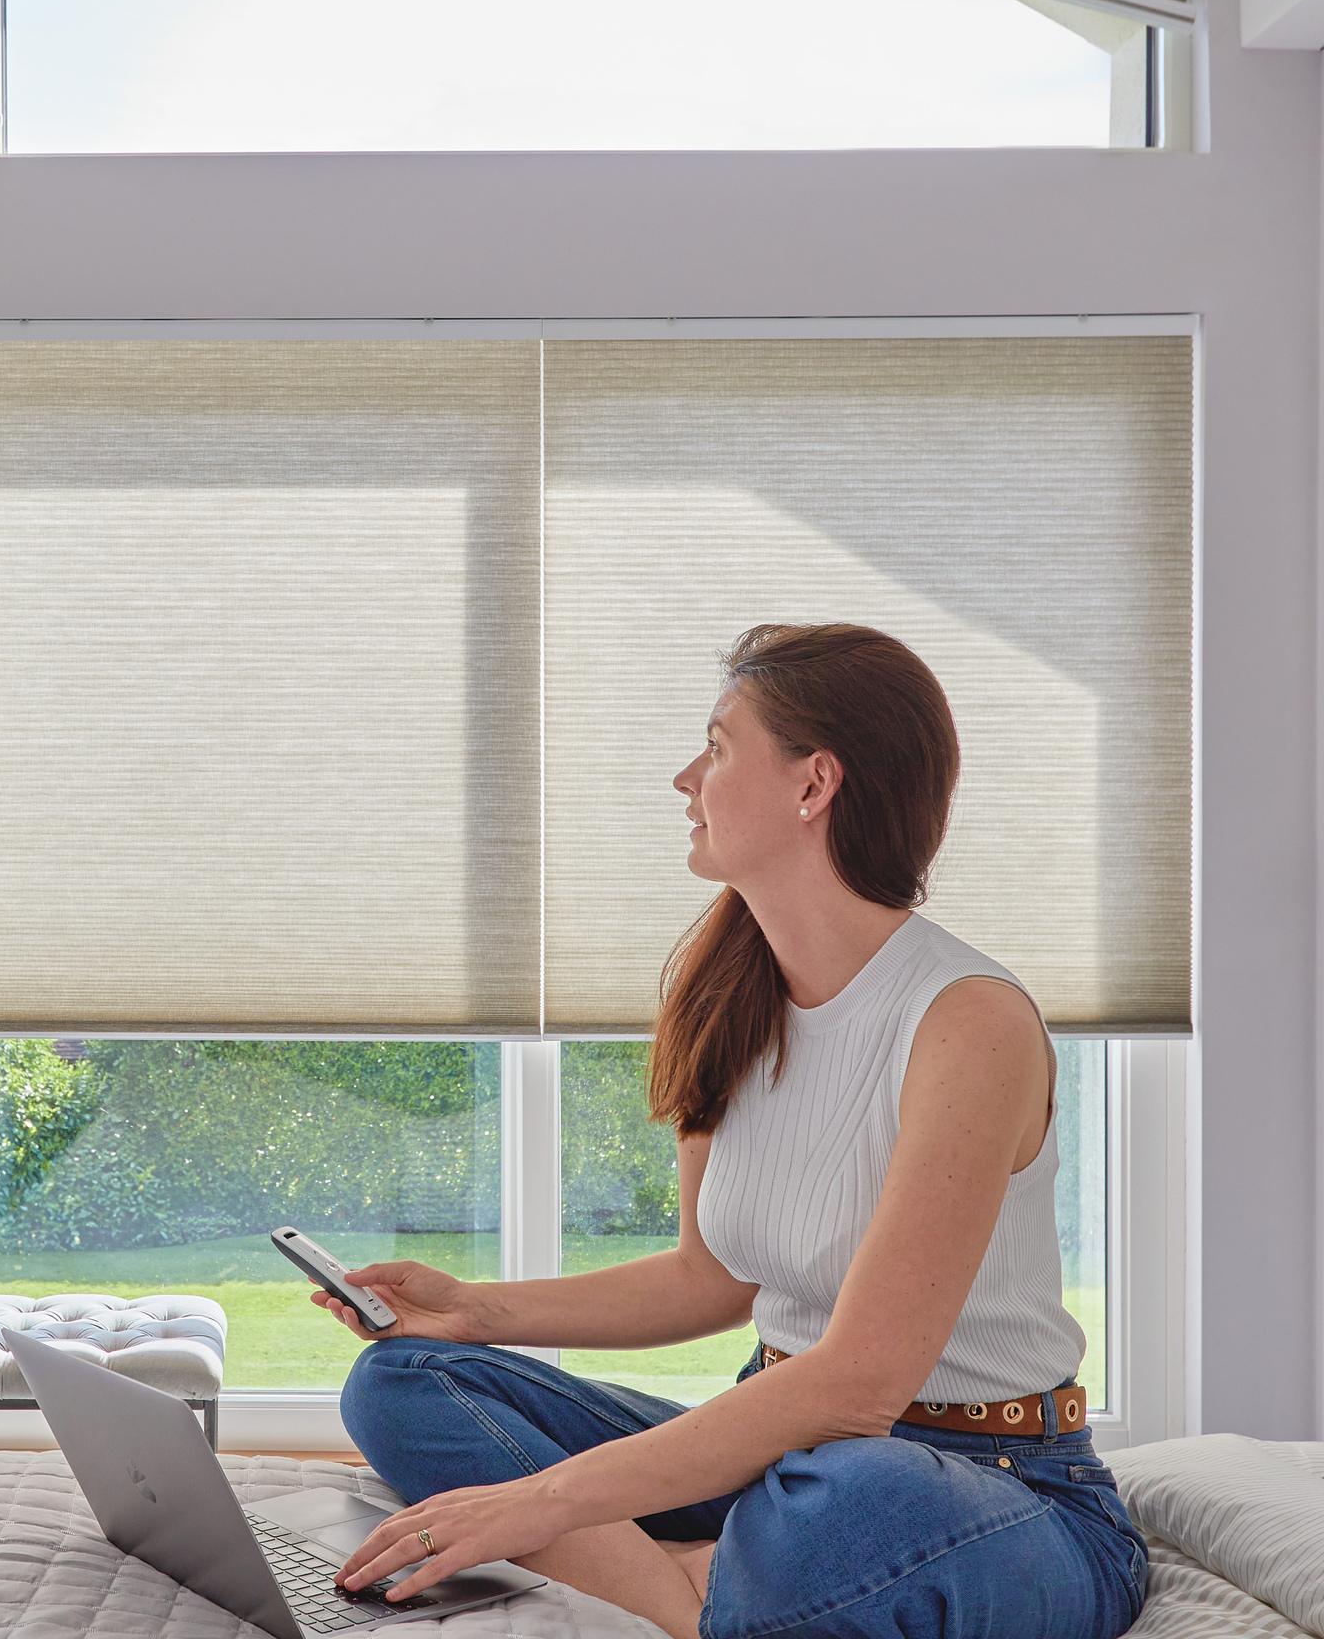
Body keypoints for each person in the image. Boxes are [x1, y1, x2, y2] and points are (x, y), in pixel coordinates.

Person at [313, 623, 1147, 1639]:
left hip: (986, 1483)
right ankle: (688, 1587)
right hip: (778, 1450)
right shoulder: (727, 994)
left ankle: (675, 1576)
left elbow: (854, 1386)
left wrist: (537, 1504)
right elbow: (709, 1278)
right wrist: (473, 1309)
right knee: (402, 1380)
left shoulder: (966, 1019)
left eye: (714, 745)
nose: (682, 776)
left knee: (851, 1497)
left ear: (813, 784)